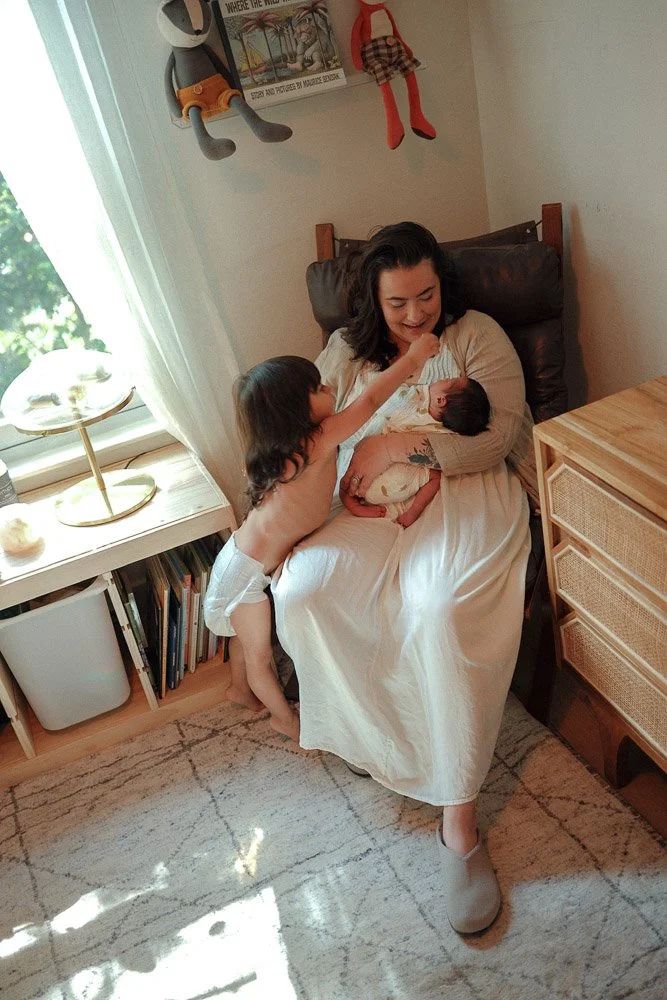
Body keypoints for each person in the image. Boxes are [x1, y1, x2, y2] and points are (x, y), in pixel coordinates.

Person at [272, 222, 536, 934]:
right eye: (398, 303)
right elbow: (308, 432)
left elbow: (496, 438)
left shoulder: (476, 336)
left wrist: (397, 444)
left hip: (462, 489)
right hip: (365, 496)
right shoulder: (345, 352)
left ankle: (458, 821)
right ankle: (375, 738)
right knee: (304, 592)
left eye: (426, 295)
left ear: (442, 284)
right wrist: (285, 509)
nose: (416, 314)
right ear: (373, 300)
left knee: (438, 610)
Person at [203, 334, 439, 743]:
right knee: (258, 655)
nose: (329, 387)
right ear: (294, 410)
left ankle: (239, 691)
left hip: (238, 562)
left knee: (242, 640)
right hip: (244, 576)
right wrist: (413, 358)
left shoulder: (288, 451)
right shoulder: (313, 443)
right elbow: (368, 401)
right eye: (317, 388)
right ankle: (283, 718)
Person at [342, 375, 490, 526]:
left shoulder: (415, 398)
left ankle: (351, 501)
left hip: (365, 478)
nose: (443, 378)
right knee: (435, 477)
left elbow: (391, 401)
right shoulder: (445, 433)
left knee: (350, 473)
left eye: (448, 380)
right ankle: (412, 512)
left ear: (441, 400)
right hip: (395, 485)